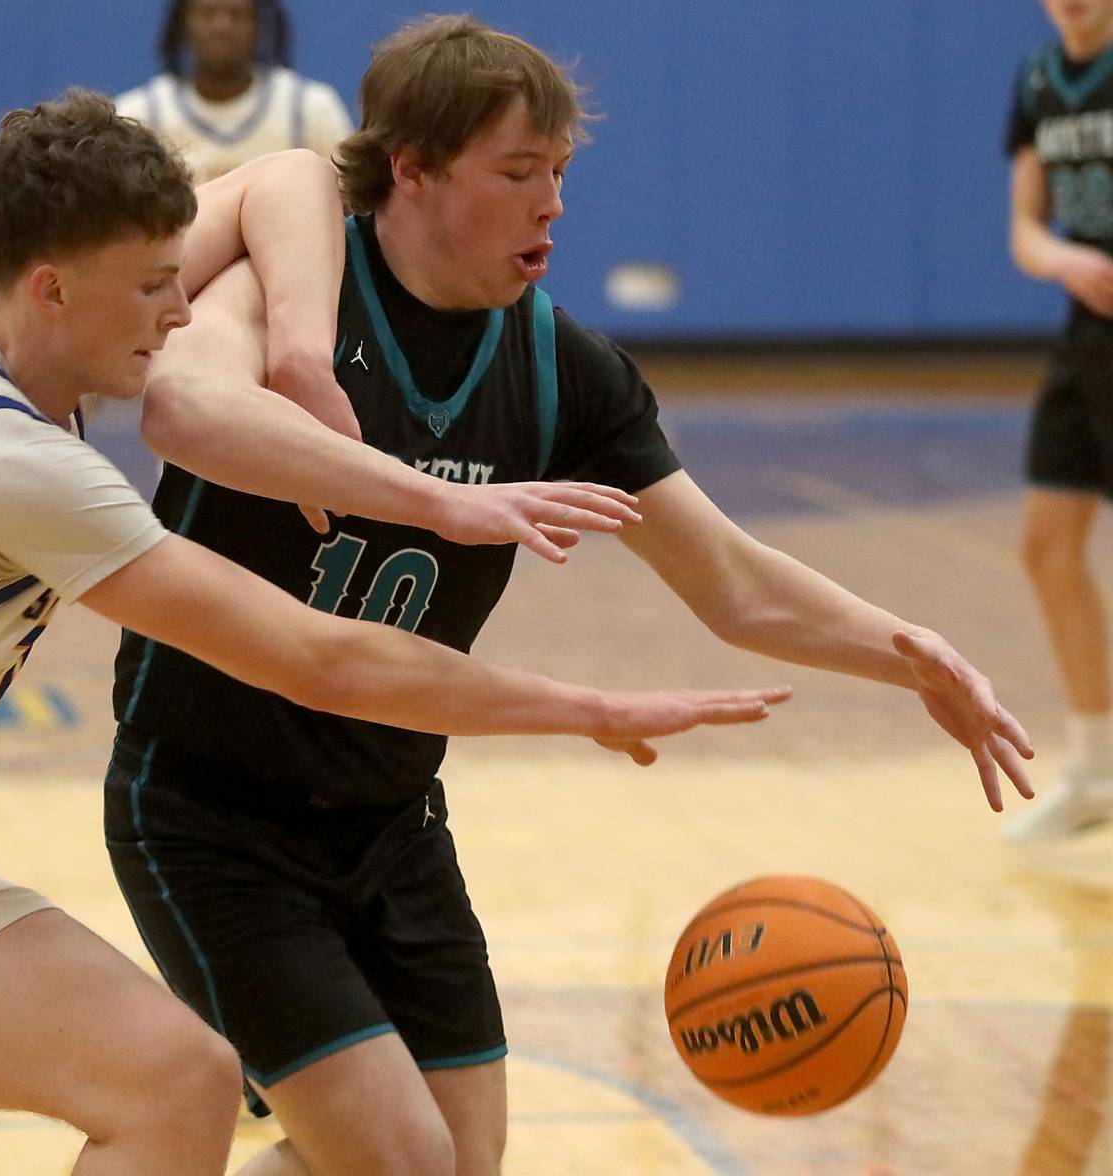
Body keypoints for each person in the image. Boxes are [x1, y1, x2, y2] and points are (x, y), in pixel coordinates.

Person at [0, 87, 795, 1173]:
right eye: (158, 288)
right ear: (57, 289)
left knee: (176, 1083)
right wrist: (584, 701)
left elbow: (286, 176)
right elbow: (321, 655)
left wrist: (303, 352)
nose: (183, 313)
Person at [105, 17, 1038, 1176]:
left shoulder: (565, 373)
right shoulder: (296, 286)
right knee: (400, 1166)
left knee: (455, 1164)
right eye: (516, 173)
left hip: (392, 818)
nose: (551, 205)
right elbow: (185, 411)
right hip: (211, 812)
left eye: (560, 174)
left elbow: (736, 583)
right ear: (413, 169)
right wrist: (429, 499)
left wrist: (915, 654)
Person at [1006, 0, 1113, 841]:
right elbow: (1026, 228)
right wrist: (1065, 258)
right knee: (1047, 544)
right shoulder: (1040, 80)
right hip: (1087, 328)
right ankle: (1099, 770)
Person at [115, 0, 353, 186]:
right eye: (207, 13)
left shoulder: (310, 109)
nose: (222, 26)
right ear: (183, 23)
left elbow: (351, 198)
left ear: (259, 25)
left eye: (237, 14)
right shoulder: (138, 117)